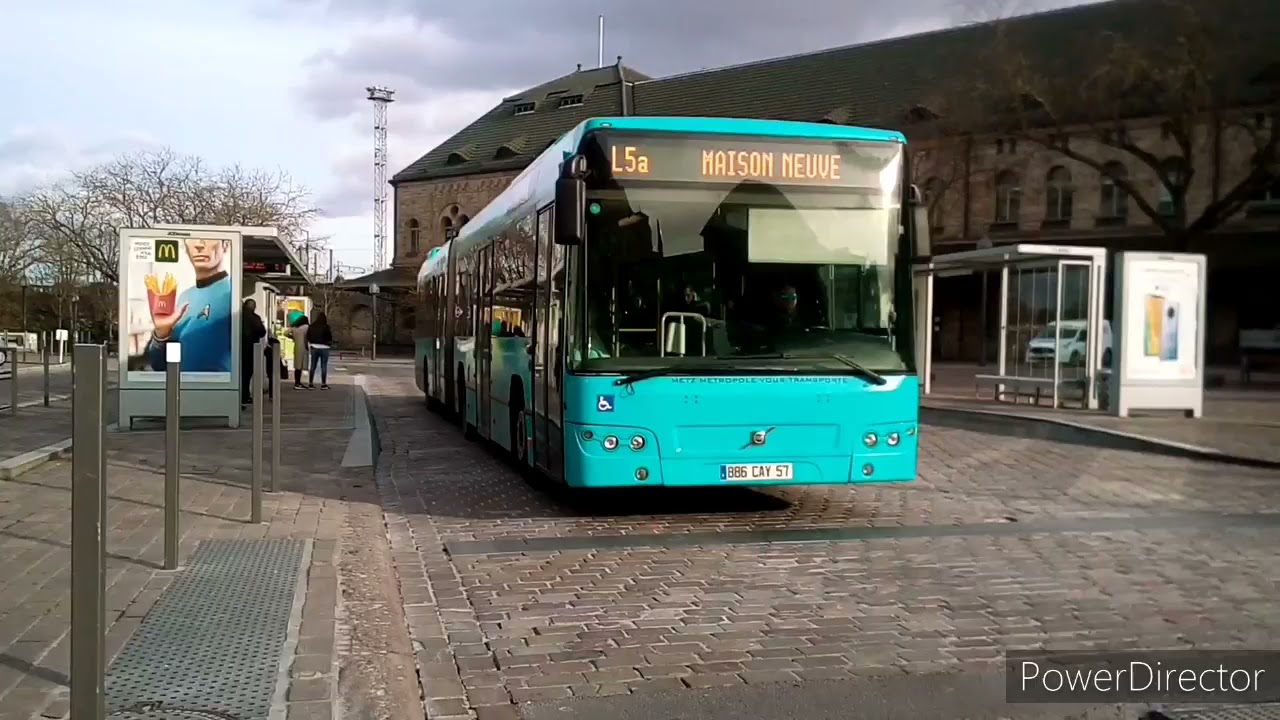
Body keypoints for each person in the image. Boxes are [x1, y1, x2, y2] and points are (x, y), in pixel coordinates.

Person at [146, 238, 234, 373]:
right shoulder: (184, 297)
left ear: (225, 245)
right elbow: (159, 364)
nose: (199, 245)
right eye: (192, 239)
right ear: (185, 247)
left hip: (221, 384)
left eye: (208, 238)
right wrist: (161, 334)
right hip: (182, 383)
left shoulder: (232, 293)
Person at [241, 298, 267, 405]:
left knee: (239, 373)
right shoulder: (255, 318)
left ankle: (240, 395)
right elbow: (262, 332)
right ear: (253, 307)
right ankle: (244, 395)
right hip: (250, 349)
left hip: (236, 349)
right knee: (247, 373)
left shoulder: (237, 317)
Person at [306, 311, 334, 389]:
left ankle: (310, 383)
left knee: (313, 366)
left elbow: (308, 336)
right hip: (325, 347)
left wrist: (311, 342)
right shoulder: (326, 327)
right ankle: (323, 384)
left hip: (314, 347)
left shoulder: (312, 326)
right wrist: (329, 343)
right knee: (323, 366)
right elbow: (330, 337)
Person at [290, 314, 310, 388]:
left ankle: (297, 382)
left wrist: (292, 337)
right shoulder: (306, 327)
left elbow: (285, 333)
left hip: (296, 347)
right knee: (301, 366)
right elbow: (308, 336)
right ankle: (298, 383)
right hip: (303, 347)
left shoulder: (295, 327)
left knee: (297, 366)